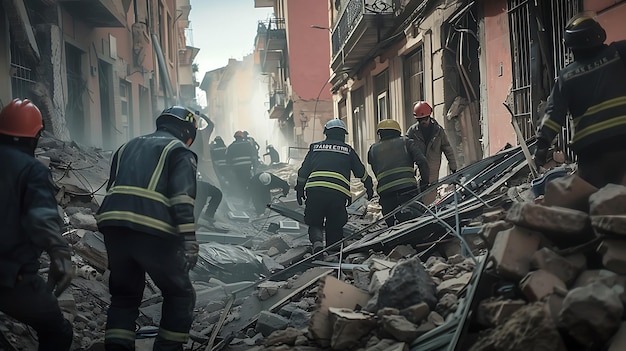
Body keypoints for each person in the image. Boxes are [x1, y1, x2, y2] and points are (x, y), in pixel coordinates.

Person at [96, 105, 203, 350]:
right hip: (152, 229)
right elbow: (182, 201)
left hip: (113, 226)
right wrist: (189, 242)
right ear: (187, 131)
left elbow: (113, 187)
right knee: (180, 293)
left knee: (124, 298)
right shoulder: (179, 151)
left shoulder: (126, 146)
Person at [0, 98, 74, 350]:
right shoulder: (32, 170)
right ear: (36, 136)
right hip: (11, 277)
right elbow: (41, 217)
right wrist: (60, 253)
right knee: (58, 331)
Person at [533, 12, 626, 189]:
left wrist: (542, 147)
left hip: (591, 154)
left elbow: (553, 115)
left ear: (570, 45)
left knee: (595, 204)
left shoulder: (566, 76)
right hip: (623, 141)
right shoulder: (620, 53)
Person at [296, 119, 374, 254]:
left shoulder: (315, 147)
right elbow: (361, 171)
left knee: (314, 221)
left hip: (315, 192)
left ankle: (317, 242)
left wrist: (299, 188)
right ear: (343, 135)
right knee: (335, 224)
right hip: (337, 194)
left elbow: (303, 171)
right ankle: (333, 252)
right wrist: (369, 186)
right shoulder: (348, 150)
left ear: (326, 132)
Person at [368, 119, 430, 227]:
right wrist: (425, 181)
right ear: (398, 131)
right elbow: (422, 161)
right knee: (416, 222)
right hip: (408, 191)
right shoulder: (406, 142)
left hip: (386, 193)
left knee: (392, 229)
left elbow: (374, 168)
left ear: (380, 134)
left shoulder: (373, 149)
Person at [407, 101, 458, 204]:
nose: (423, 122)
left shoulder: (438, 131)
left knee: (429, 196)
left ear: (429, 116)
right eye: (420, 120)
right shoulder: (412, 132)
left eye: (425, 119)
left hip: (433, 169)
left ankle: (427, 215)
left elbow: (447, 149)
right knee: (418, 195)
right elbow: (405, 149)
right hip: (418, 169)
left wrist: (453, 168)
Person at [227, 130, 258, 196]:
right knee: (248, 180)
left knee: (240, 182)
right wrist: (254, 165)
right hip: (247, 167)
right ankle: (249, 195)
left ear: (235, 137)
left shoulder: (231, 146)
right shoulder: (248, 144)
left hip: (237, 169)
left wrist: (230, 169)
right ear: (242, 137)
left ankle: (242, 195)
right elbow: (253, 155)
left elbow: (228, 159)